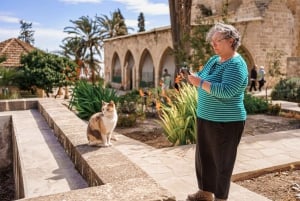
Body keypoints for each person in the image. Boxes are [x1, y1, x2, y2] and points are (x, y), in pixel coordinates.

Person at [187, 22, 248, 201]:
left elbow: (226, 90)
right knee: (204, 157)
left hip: (226, 122)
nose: (213, 45)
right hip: (206, 117)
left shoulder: (236, 64)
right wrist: (192, 76)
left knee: (222, 162)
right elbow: (203, 75)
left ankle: (221, 198)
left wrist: (199, 83)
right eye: (212, 42)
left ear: (230, 41)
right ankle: (205, 193)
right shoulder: (215, 60)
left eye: (217, 41)